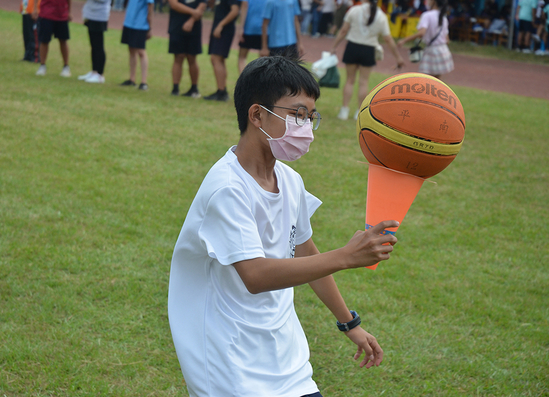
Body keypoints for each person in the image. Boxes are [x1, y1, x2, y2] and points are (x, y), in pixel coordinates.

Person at [169, 55, 397, 397]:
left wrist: (349, 322)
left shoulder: (289, 181)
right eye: (297, 114)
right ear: (257, 114)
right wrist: (347, 256)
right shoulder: (228, 188)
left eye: (310, 116)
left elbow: (305, 250)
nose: (305, 126)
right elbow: (256, 276)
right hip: (229, 364)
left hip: (285, 358)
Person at [331, 0, 404, 120]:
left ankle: (344, 110)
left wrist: (333, 47)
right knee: (363, 82)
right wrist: (398, 57)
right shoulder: (381, 16)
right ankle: (358, 112)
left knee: (349, 80)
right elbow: (388, 38)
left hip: (352, 46)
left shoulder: (354, 10)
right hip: (369, 49)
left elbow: (343, 31)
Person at [398, 0, 453, 80]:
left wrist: (404, 40)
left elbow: (421, 33)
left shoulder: (427, 15)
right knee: (437, 81)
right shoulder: (443, 18)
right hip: (443, 50)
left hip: (432, 50)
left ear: (434, 2)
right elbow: (447, 40)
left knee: (425, 80)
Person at [167, 0, 206, 97]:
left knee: (192, 58)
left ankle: (194, 88)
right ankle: (175, 88)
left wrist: (191, 20)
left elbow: (202, 5)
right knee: (178, 57)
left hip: (195, 28)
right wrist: (193, 12)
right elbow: (174, 4)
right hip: (176, 26)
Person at [204, 0, 240, 101]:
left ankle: (221, 91)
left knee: (215, 58)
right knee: (218, 59)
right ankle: (221, 89)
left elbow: (235, 11)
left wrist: (221, 25)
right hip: (220, 29)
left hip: (224, 30)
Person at [120, 0, 154, 90]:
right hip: (129, 21)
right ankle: (132, 78)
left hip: (140, 23)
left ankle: (144, 82)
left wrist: (150, 25)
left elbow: (150, 5)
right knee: (131, 49)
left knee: (141, 51)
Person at [33, 0, 72, 77]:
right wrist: (35, 9)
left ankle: (66, 66)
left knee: (63, 41)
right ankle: (42, 66)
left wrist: (69, 12)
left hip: (62, 15)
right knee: (44, 41)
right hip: (46, 14)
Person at [78, 0, 110, 83]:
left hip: (99, 16)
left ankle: (100, 74)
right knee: (93, 45)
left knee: (98, 45)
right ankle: (94, 71)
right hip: (91, 14)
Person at [237, 0, 266, 74]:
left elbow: (244, 5)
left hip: (249, 28)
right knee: (263, 59)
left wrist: (241, 27)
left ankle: (244, 81)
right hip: (265, 29)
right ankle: (261, 82)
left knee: (242, 58)